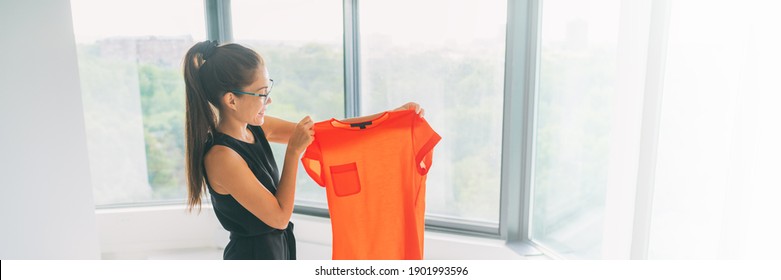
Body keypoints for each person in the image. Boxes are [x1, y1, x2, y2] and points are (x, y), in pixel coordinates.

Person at [183, 40, 424, 260]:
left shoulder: (256, 128)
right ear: (231, 100)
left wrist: (390, 117)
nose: (268, 101)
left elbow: (325, 134)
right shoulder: (221, 157)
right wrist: (293, 153)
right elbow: (279, 217)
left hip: (279, 252)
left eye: (268, 90)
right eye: (261, 94)